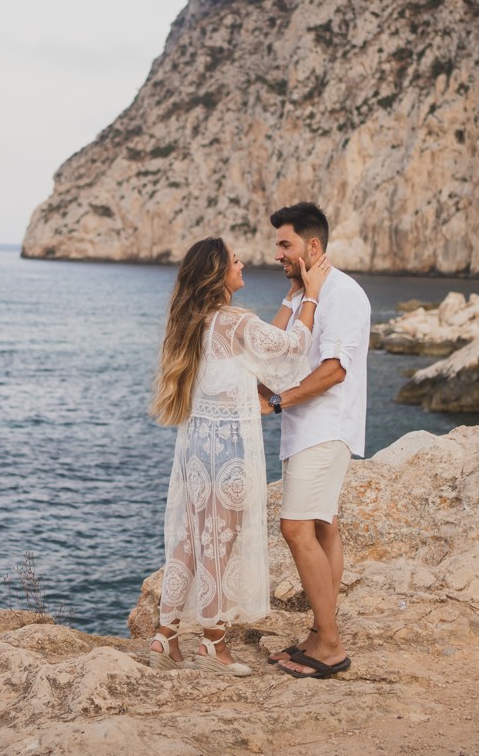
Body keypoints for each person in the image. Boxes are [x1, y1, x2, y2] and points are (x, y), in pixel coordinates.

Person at [149, 236, 330, 676]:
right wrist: (311, 296)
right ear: (219, 273)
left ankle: (165, 635)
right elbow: (290, 348)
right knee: (220, 542)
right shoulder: (234, 321)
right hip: (228, 450)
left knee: (193, 539)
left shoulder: (197, 322)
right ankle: (213, 644)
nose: (242, 263)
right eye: (234, 260)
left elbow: (261, 348)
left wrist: (290, 298)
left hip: (197, 449)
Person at [257, 202, 372, 679]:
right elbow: (273, 354)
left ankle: (330, 646)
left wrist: (277, 401)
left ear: (313, 246)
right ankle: (320, 632)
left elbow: (334, 371)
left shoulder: (342, 295)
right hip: (305, 429)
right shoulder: (308, 294)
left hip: (326, 428)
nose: (277, 254)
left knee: (296, 528)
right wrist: (294, 295)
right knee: (323, 528)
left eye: (285, 244)